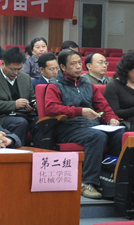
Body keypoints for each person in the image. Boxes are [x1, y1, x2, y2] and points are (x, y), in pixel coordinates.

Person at [45, 49, 122, 200]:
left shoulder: (87, 84)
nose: (78, 66)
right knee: (97, 136)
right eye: (73, 64)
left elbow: (103, 107)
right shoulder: (55, 85)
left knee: (120, 134)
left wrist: (111, 119)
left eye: (79, 63)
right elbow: (51, 108)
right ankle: (88, 183)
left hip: (91, 125)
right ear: (63, 67)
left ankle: (113, 179)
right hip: (68, 127)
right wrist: (79, 111)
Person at [0, 47, 36, 145]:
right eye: (12, 69)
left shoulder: (25, 78)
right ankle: (16, 150)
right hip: (1, 116)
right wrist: (14, 104)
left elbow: (32, 97)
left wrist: (32, 105)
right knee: (21, 122)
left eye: (19, 69)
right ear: (3, 63)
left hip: (24, 114)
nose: (16, 73)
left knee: (41, 122)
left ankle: (40, 151)